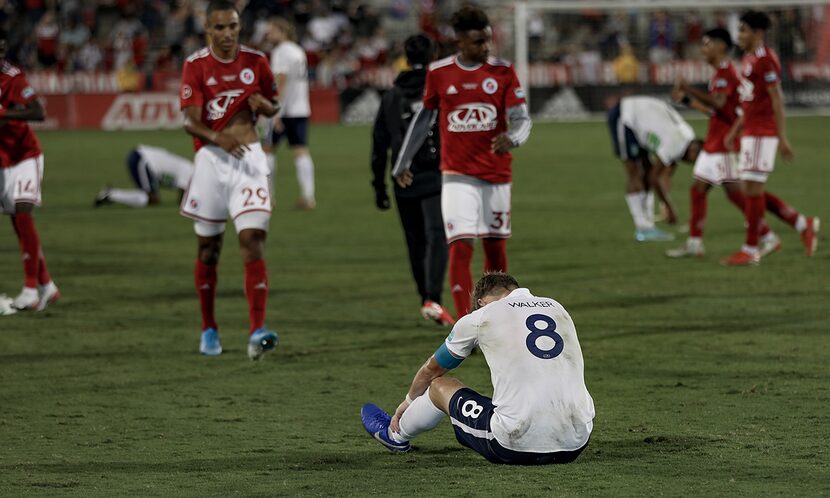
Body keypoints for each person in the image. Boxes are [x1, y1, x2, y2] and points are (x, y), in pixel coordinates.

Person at [360, 272, 594, 465]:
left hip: (513, 444)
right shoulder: (556, 307)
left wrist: (407, 402)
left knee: (441, 385)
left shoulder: (482, 316)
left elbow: (432, 370)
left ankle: (395, 434)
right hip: (576, 442)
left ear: (481, 301)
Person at [392, 6, 532, 320]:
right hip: (456, 175)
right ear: (460, 42)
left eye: (487, 40)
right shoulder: (439, 72)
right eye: (478, 42)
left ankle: (498, 320)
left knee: (495, 250)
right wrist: (402, 161)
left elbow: (522, 118)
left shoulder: (503, 72)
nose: (486, 47)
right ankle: (466, 324)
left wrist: (514, 137)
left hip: (496, 174)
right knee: (461, 244)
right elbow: (424, 118)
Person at [179, 0, 280, 359]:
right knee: (209, 249)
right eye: (219, 28)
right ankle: (209, 328)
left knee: (252, 240)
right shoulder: (195, 66)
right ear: (208, 30)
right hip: (210, 161)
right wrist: (217, 137)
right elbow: (189, 121)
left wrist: (265, 107)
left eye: (233, 27)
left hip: (249, 159)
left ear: (240, 27)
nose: (227, 34)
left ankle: (257, 330)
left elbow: (273, 105)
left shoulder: (257, 62)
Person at [668, 28, 782, 258]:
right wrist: (687, 100)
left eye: (707, 44)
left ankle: (768, 235)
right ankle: (695, 242)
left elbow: (718, 104)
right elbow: (716, 111)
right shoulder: (721, 72)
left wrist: (688, 88)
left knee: (738, 195)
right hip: (716, 142)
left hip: (723, 144)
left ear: (721, 46)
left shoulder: (725, 72)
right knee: (699, 190)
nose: (703, 48)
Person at [720, 10, 819, 266]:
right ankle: (800, 223)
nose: (739, 35)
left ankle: (751, 248)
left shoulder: (766, 59)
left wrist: (782, 137)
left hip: (763, 132)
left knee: (751, 190)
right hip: (751, 130)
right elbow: (751, 99)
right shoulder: (749, 58)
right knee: (751, 189)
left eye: (743, 30)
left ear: (757, 33)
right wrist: (735, 130)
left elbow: (777, 98)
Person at [371, 34, 453, 327]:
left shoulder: (392, 95)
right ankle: (434, 297)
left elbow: (379, 143)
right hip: (436, 173)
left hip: (402, 179)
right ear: (435, 53)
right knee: (437, 237)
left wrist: (378, 185)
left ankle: (424, 299)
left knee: (415, 241)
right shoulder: (440, 89)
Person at [0, 29, 60, 312]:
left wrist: (5, 114)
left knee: (23, 212)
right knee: (17, 222)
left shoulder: (12, 77)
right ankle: (47, 285)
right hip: (3, 160)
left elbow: (37, 112)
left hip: (25, 155)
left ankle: (29, 290)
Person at [606, 95, 702, 241]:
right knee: (634, 172)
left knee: (647, 169)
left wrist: (663, 202)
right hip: (625, 117)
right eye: (696, 160)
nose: (693, 164)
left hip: (642, 121)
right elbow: (655, 177)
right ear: (693, 151)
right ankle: (643, 228)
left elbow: (667, 172)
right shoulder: (676, 144)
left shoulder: (687, 136)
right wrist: (669, 206)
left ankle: (648, 225)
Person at [264, 17, 316, 210]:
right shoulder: (298, 50)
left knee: (268, 149)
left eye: (271, 30)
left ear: (282, 32)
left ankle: (268, 196)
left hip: (284, 110)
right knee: (300, 150)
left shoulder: (281, 52)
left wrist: (274, 111)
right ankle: (308, 197)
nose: (268, 34)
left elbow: (280, 81)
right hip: (301, 108)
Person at [94, 145, 193, 208]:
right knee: (151, 199)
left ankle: (111, 195)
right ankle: (111, 195)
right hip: (143, 160)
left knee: (150, 198)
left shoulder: (189, 168)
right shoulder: (191, 171)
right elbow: (183, 200)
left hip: (143, 159)